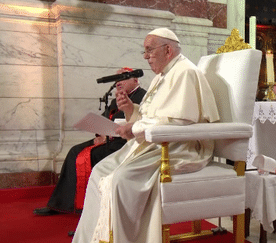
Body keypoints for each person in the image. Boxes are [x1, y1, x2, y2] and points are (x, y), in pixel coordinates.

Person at [72, 28, 219, 243]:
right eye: (145, 51)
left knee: (122, 179)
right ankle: (97, 237)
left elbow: (179, 121)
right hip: (155, 142)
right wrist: (132, 110)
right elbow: (155, 115)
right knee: (99, 170)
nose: (145, 56)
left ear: (167, 50)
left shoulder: (185, 72)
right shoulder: (162, 76)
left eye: (149, 50)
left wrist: (134, 129)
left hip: (178, 146)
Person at [33, 67, 146, 216]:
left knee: (88, 157)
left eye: (123, 77)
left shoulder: (143, 96)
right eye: (116, 79)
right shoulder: (114, 100)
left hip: (125, 143)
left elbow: (140, 121)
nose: (118, 81)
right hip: (109, 140)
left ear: (135, 80)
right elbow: (104, 119)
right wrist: (100, 134)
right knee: (74, 151)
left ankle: (87, 209)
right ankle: (60, 204)